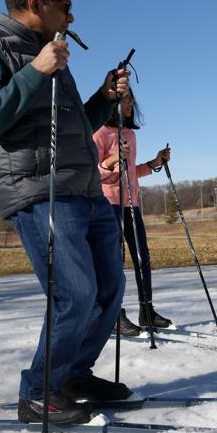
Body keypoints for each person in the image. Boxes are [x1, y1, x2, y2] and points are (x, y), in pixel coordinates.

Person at [0, 0, 134, 425]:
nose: (71, 16)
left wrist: (103, 98)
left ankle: (73, 376)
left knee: (110, 291)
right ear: (35, 2)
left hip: (87, 190)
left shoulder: (50, 52)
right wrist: (36, 69)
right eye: (65, 5)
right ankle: (37, 393)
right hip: (41, 192)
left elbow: (73, 124)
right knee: (75, 295)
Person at [93, 90, 173, 336]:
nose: (131, 105)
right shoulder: (100, 133)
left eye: (132, 101)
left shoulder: (129, 134)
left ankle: (146, 310)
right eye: (126, 101)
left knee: (142, 257)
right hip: (109, 204)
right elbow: (92, 173)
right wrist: (110, 162)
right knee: (114, 260)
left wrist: (153, 164)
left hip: (131, 204)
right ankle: (114, 314)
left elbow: (130, 172)